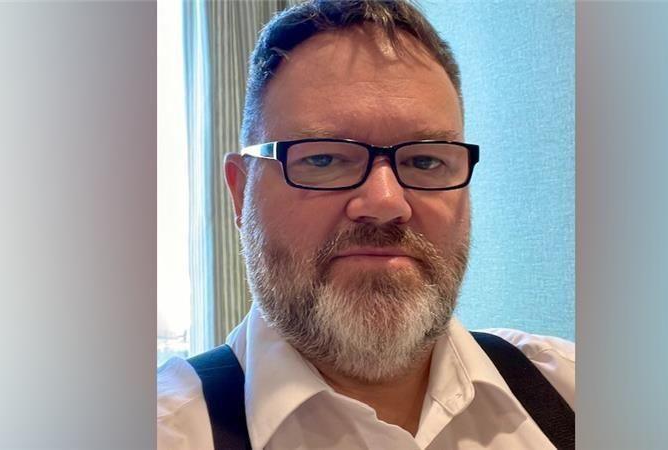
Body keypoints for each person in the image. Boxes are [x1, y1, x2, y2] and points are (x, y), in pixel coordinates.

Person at [157, 1, 574, 449]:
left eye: (426, 160)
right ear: (241, 192)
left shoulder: (568, 392)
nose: (385, 202)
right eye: (323, 158)